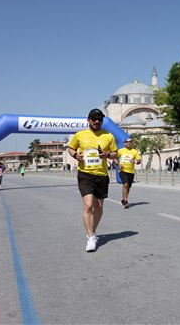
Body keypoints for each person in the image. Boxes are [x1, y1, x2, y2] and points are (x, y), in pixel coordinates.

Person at [68, 108, 117, 252]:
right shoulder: (80, 135)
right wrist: (75, 155)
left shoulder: (108, 136)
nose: (97, 121)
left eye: (99, 119)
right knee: (88, 205)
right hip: (85, 174)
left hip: (101, 175)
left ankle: (92, 231)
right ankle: (90, 237)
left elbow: (115, 153)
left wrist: (107, 155)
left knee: (99, 206)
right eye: (94, 119)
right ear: (88, 120)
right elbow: (71, 148)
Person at [116, 137, 141, 209]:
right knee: (125, 184)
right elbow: (114, 157)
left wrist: (135, 161)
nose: (129, 143)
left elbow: (139, 160)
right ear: (124, 144)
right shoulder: (121, 150)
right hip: (123, 170)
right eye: (127, 142)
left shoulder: (134, 151)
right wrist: (118, 164)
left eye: (130, 141)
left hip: (131, 171)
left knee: (128, 186)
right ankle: (125, 201)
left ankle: (124, 199)